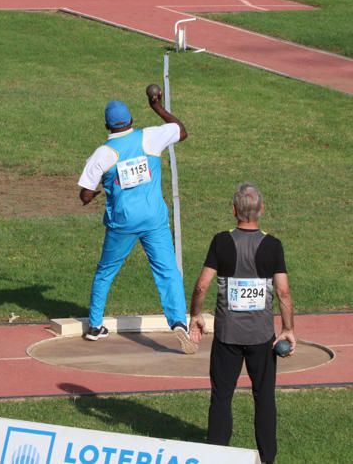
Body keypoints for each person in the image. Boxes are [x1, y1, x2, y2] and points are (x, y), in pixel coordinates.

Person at [77, 91, 195, 354]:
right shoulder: (150, 137)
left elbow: (84, 194)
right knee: (168, 272)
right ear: (131, 119)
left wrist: (95, 194)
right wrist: (157, 106)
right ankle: (178, 322)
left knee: (105, 272)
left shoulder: (103, 154)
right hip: (154, 219)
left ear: (107, 125)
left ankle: (95, 326)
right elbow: (181, 131)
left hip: (122, 223)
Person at [188, 183, 294, 464]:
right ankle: (267, 458)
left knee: (221, 397)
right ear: (261, 210)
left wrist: (195, 316)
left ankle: (215, 456)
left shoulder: (221, 242)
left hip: (227, 337)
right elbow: (283, 292)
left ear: (234, 210)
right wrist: (287, 330)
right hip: (262, 338)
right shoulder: (273, 246)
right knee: (264, 398)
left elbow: (202, 285)